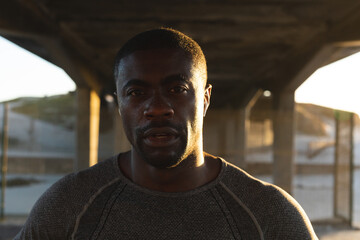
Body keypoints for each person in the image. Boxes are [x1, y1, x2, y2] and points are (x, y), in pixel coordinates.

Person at [15, 28, 318, 239]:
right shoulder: (69, 204)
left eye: (177, 89)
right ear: (120, 103)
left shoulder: (269, 213)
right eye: (136, 92)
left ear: (205, 99)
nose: (157, 108)